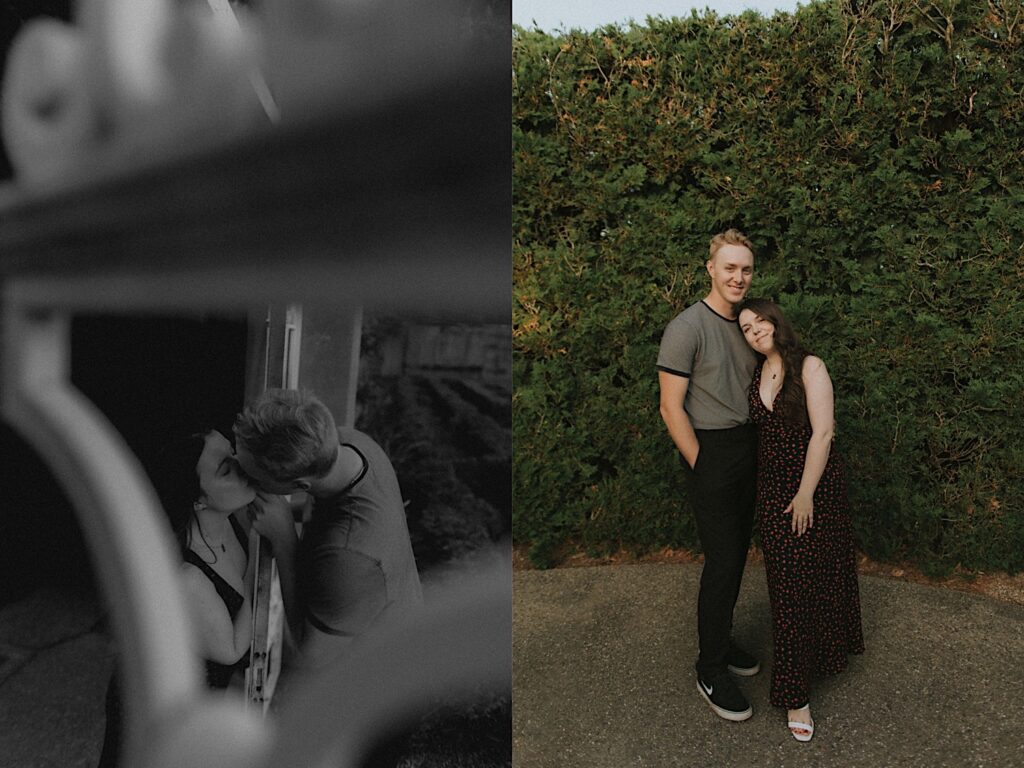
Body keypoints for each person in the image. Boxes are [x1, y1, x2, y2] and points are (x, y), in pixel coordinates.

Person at [736, 297, 864, 742]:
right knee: (787, 587)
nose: (755, 331)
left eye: (759, 322)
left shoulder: (810, 365)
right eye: (746, 328)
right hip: (773, 494)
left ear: (776, 321)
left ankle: (812, 670)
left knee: (821, 578)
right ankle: (797, 691)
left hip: (815, 490)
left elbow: (824, 431)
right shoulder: (757, 374)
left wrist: (806, 492)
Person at [233, 388, 423, 671]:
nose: (243, 477)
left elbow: (311, 654)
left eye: (252, 477)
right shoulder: (349, 445)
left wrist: (285, 538)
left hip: (376, 679)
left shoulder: (350, 557)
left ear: (299, 486)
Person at [98, 429, 257, 766]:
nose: (241, 463)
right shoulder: (186, 576)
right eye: (226, 470)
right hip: (157, 711)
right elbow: (230, 650)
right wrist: (269, 574)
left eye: (232, 450)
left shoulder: (231, 518)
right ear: (199, 500)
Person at [656, 228, 760, 722]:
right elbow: (670, 407)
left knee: (737, 554)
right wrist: (702, 464)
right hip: (710, 450)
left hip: (748, 445)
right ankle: (709, 666)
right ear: (711, 270)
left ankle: (721, 638)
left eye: (745, 269)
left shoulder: (748, 322)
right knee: (721, 561)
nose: (738, 277)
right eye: (730, 268)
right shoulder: (686, 327)